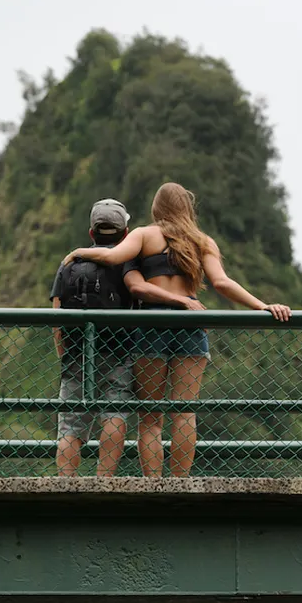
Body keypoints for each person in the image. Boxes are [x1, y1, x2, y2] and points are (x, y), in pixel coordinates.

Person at [62, 182, 292, 477]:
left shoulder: (145, 235)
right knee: (184, 410)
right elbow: (221, 283)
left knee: (150, 418)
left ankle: (153, 485)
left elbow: (118, 266)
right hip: (190, 324)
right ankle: (180, 482)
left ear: (156, 209)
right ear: (187, 208)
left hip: (151, 325)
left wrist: (77, 252)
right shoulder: (203, 241)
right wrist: (262, 305)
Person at [51, 198, 202, 477]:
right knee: (115, 413)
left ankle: (66, 482)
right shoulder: (128, 261)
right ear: (126, 231)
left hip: (75, 351)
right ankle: (104, 479)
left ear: (91, 232)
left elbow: (57, 314)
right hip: (118, 350)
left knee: (71, 424)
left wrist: (63, 351)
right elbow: (139, 292)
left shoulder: (70, 263)